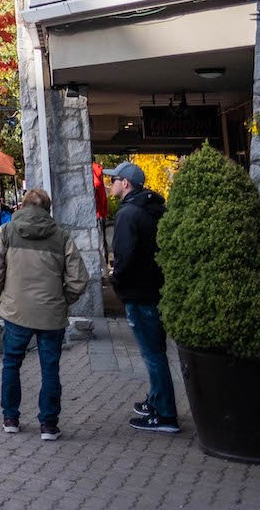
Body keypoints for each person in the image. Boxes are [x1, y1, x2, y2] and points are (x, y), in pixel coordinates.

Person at [0, 188, 89, 441]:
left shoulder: (7, 231)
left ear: (23, 205)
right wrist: (64, 300)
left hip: (16, 310)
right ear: (47, 209)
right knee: (50, 368)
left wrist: (4, 294)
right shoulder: (61, 237)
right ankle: (49, 425)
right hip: (51, 314)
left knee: (11, 364)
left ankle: (10, 418)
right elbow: (79, 279)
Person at [110, 161, 181, 434]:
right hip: (154, 289)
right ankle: (156, 400)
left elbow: (124, 257)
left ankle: (165, 414)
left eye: (114, 179)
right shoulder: (154, 210)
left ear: (125, 184)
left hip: (139, 293)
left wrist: (117, 282)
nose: (111, 184)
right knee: (156, 351)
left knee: (153, 355)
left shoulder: (129, 214)